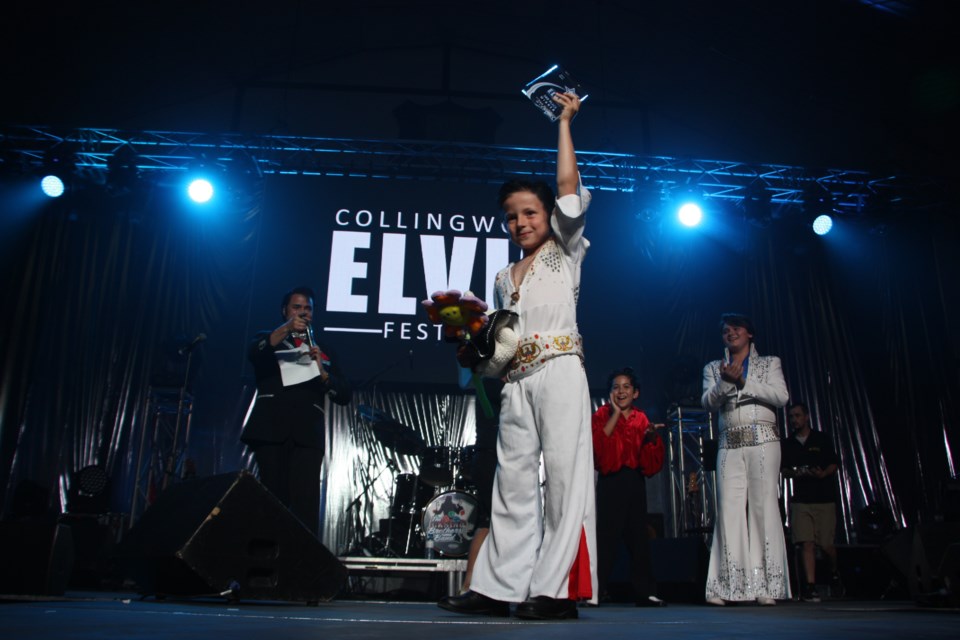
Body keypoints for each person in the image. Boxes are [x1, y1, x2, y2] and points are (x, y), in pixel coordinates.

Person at [438, 91, 597, 620]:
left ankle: (553, 591)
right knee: (510, 484)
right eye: (510, 216)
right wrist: (469, 343)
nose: (520, 222)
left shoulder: (566, 249)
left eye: (529, 211)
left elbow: (569, 187)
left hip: (559, 370)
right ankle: (498, 586)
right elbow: (499, 344)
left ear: (548, 214)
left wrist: (565, 123)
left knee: (566, 480)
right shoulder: (504, 277)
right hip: (517, 383)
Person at [241, 286, 352, 535]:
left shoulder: (324, 349)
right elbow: (255, 352)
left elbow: (344, 393)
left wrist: (323, 372)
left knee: (305, 506)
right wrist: (287, 329)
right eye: (297, 307)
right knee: (270, 500)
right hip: (271, 431)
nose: (303, 312)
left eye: (308, 308)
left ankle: (302, 568)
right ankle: (263, 566)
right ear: (285, 311)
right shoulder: (269, 338)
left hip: (307, 436)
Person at [701, 313, 790, 605]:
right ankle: (728, 586)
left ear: (750, 333)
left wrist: (744, 383)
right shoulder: (714, 368)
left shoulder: (769, 363)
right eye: (726, 330)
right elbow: (707, 402)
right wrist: (727, 383)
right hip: (729, 443)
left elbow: (781, 397)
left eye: (736, 328)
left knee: (764, 509)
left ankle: (765, 587)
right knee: (728, 510)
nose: (731, 333)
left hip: (764, 440)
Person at [591, 367, 666, 607]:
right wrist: (614, 413)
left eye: (626, 387)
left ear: (635, 393)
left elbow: (649, 464)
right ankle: (596, 591)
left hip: (634, 482)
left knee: (638, 540)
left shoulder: (641, 418)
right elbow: (599, 452)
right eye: (616, 387)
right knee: (605, 539)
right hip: (609, 483)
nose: (621, 391)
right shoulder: (601, 415)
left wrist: (653, 439)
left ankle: (645, 593)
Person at [781, 401, 841, 602]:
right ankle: (811, 586)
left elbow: (834, 463)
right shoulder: (788, 444)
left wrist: (822, 473)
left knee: (825, 544)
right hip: (801, 500)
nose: (794, 420)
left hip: (824, 498)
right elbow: (784, 469)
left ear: (806, 417)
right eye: (791, 417)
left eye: (797, 416)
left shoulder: (821, 439)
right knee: (806, 543)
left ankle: (834, 573)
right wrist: (797, 472)